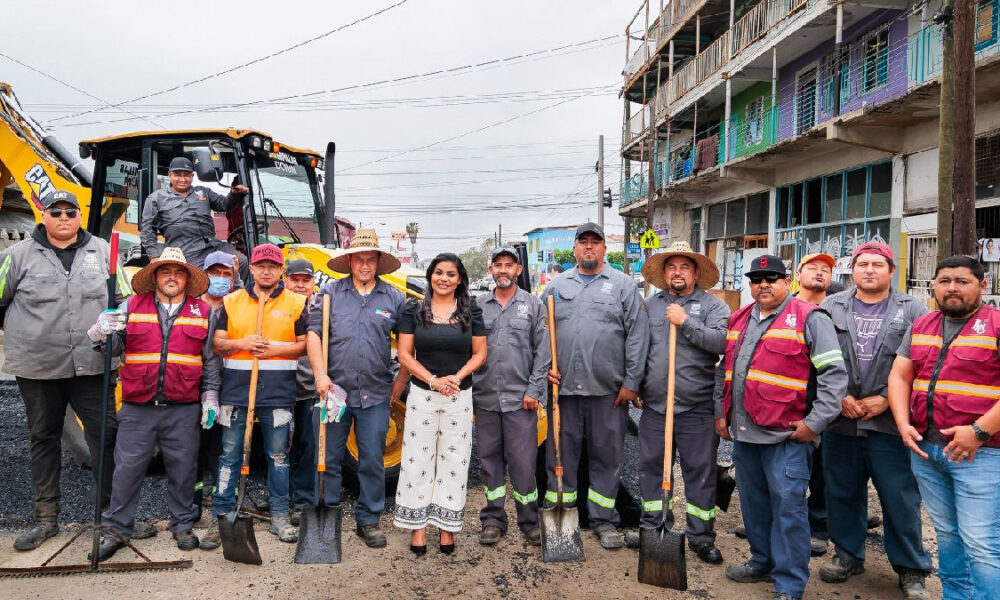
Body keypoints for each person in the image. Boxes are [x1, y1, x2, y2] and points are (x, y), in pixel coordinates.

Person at [0, 190, 129, 552]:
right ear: (43, 215)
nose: (62, 217)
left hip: (93, 365)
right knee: (43, 439)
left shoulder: (104, 252)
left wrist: (118, 319)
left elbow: (123, 299)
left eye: (69, 212)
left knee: (106, 436)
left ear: (78, 217)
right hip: (38, 367)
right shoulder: (15, 257)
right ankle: (46, 520)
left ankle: (110, 520)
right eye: (54, 211)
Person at [715, 254, 847, 600]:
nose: (764, 285)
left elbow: (834, 377)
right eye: (757, 279)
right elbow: (724, 372)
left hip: (786, 437)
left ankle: (789, 583)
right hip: (745, 434)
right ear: (750, 285)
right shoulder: (740, 318)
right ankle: (762, 561)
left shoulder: (810, 318)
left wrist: (814, 423)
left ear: (787, 282)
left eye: (772, 278)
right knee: (755, 505)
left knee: (788, 509)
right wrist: (721, 412)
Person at [87, 248, 217, 561]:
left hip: (183, 407)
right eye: (165, 271)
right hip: (137, 407)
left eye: (179, 271)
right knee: (127, 470)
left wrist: (211, 396)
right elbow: (113, 348)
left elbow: (211, 360)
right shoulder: (131, 305)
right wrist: (100, 332)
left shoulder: (204, 311)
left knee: (183, 470)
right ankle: (116, 529)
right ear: (155, 277)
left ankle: (182, 525)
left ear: (186, 278)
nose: (172, 277)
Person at [819, 242, 932, 599]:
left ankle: (911, 568)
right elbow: (815, 359)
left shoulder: (913, 309)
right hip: (843, 420)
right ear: (852, 270)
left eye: (877, 265)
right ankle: (848, 555)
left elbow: (923, 362)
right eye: (862, 264)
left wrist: (888, 399)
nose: (869, 270)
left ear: (891, 270)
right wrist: (839, 398)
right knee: (842, 491)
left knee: (899, 496)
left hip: (890, 424)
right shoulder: (830, 306)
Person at [888, 255, 1000, 600]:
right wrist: (903, 423)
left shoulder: (996, 324)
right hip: (927, 450)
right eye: (944, 281)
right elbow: (900, 374)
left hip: (980, 455)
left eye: (963, 281)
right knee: (948, 535)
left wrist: (979, 432)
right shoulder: (922, 325)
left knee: (981, 543)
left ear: (983, 285)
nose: (952, 288)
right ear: (933, 286)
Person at [541, 222, 649, 550]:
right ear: (574, 249)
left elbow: (637, 336)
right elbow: (542, 331)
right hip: (564, 393)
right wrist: (546, 367)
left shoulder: (622, 286)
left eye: (595, 242)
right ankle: (563, 517)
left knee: (606, 457)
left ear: (604, 249)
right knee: (561, 456)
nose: (589, 247)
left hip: (608, 392)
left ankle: (604, 520)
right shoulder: (556, 287)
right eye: (582, 242)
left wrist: (632, 383)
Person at [202, 243, 307, 547]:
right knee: (229, 455)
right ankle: (221, 516)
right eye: (261, 266)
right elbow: (219, 344)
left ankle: (279, 517)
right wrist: (244, 342)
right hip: (235, 393)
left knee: (278, 456)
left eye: (272, 267)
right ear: (253, 269)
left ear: (280, 271)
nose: (266, 271)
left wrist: (276, 349)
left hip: (278, 394)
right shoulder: (231, 302)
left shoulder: (295, 303)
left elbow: (303, 345)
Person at [308, 231, 407, 548]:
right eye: (359, 259)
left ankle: (369, 519)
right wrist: (320, 374)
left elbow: (407, 343)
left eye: (370, 259)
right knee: (328, 458)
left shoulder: (393, 298)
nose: (365, 265)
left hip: (377, 394)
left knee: (372, 460)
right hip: (334, 392)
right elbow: (313, 336)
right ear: (350, 261)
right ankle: (327, 517)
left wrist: (401, 380)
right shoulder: (329, 293)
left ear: (378, 262)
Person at [638, 241, 729, 564]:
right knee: (650, 468)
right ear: (663, 274)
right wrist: (635, 385)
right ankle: (653, 526)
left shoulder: (713, 307)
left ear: (696, 273)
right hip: (655, 407)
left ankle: (701, 536)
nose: (677, 273)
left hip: (696, 407)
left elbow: (721, 343)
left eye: (684, 267)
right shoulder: (649, 306)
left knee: (700, 473)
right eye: (672, 267)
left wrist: (685, 322)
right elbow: (638, 348)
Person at [394, 253, 487, 554]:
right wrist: (433, 380)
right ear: (430, 276)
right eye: (438, 272)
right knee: (417, 460)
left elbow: (480, 353)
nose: (444, 278)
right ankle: (417, 528)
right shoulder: (413, 310)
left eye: (450, 273)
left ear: (460, 279)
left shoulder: (471, 309)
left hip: (459, 395)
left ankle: (447, 528)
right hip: (422, 393)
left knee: (455, 459)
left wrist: (455, 378)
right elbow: (406, 355)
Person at [473, 247, 549, 547]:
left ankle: (528, 520)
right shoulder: (478, 305)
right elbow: (469, 349)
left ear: (518, 270)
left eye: (509, 265)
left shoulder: (532, 305)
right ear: (490, 270)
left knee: (522, 463)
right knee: (489, 462)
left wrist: (534, 390)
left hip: (521, 400)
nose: (503, 270)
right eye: (497, 265)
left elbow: (543, 352)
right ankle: (493, 518)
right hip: (486, 398)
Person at [140, 156, 249, 281]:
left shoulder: (203, 192)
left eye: (186, 175)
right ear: (169, 175)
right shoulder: (156, 198)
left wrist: (234, 193)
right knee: (203, 278)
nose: (182, 179)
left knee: (242, 262)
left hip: (213, 245)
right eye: (177, 175)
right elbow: (147, 229)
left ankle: (235, 297)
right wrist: (154, 256)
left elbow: (224, 204)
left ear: (192, 176)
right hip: (186, 251)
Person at [193, 250, 240, 534]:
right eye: (215, 273)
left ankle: (226, 500)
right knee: (196, 448)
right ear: (204, 274)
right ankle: (195, 502)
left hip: (231, 386)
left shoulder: (236, 307)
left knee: (226, 448)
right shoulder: (194, 306)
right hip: (196, 387)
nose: (221, 279)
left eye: (227, 275)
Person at [795, 252, 835, 556]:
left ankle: (819, 526)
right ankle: (778, 522)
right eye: (812, 268)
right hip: (793, 400)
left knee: (824, 469)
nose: (819, 273)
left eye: (825, 270)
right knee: (787, 468)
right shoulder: (785, 306)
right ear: (798, 274)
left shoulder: (839, 308)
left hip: (829, 401)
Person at [285, 258, 319, 527]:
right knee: (279, 447)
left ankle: (302, 500)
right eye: (294, 279)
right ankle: (281, 495)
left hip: (309, 388)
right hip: (277, 388)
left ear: (313, 282)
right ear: (285, 280)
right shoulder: (275, 305)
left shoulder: (321, 308)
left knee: (307, 445)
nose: (299, 285)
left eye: (305, 280)